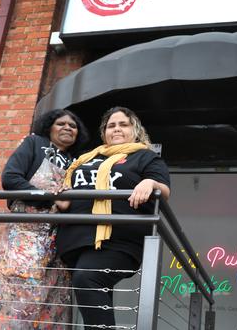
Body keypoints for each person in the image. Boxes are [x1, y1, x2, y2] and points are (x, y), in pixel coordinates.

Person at [0, 109, 88, 330]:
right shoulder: (34, 144)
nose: (67, 128)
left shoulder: (76, 162)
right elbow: (11, 178)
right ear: (49, 127)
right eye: (61, 123)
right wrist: (51, 199)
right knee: (15, 295)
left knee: (50, 303)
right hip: (25, 236)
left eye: (73, 126)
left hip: (57, 244)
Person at [55, 106, 170, 328]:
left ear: (134, 130)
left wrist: (150, 182)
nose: (116, 129)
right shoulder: (85, 159)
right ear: (104, 132)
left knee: (87, 279)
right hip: (76, 240)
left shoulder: (144, 157)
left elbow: (164, 190)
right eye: (111, 125)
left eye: (123, 124)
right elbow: (67, 193)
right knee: (95, 292)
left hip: (118, 241)